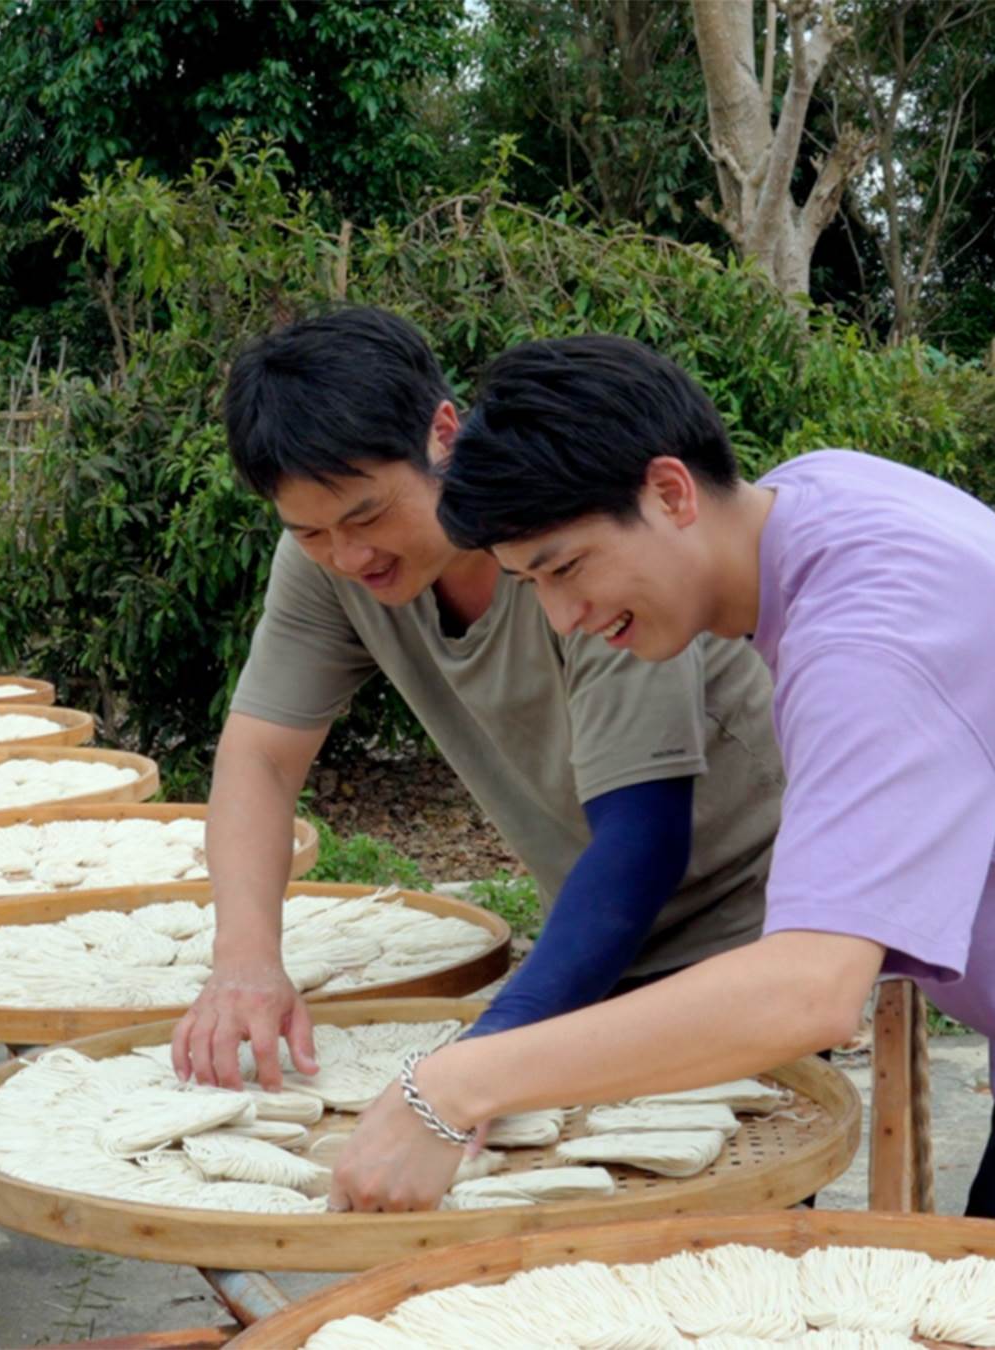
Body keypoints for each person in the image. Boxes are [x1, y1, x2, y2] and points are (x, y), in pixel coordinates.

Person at [327, 335, 995, 1264]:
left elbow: (806, 993)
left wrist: (453, 1087)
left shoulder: (870, 646)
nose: (565, 615)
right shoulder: (811, 494)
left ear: (671, 490)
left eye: (567, 567)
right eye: (527, 582)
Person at [168, 309, 785, 1093]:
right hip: (587, 931)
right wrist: (246, 962)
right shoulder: (325, 561)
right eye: (312, 532)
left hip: (748, 930)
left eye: (367, 514)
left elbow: (643, 840)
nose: (349, 556)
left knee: (711, 1205)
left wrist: (481, 1058)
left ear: (443, 432)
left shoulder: (569, 537)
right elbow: (259, 755)